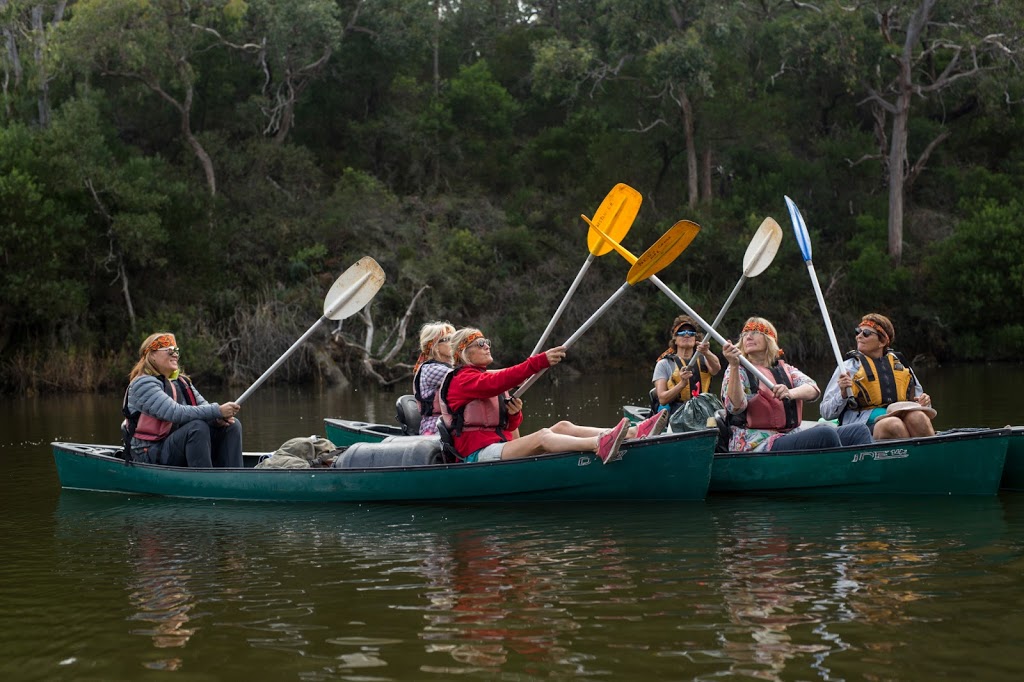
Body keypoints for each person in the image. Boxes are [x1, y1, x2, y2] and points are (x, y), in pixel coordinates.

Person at [438, 328, 669, 464]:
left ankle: (634, 432)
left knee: (564, 425)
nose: (487, 346)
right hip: (476, 455)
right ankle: (599, 445)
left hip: (499, 446)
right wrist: (540, 361)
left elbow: (509, 424)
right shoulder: (462, 379)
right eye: (480, 343)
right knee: (542, 437)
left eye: (487, 341)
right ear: (463, 353)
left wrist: (515, 414)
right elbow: (501, 380)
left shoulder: (480, 376)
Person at [720, 317, 872, 452]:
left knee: (858, 431)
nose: (749, 336)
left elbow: (813, 389)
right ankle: (841, 474)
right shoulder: (737, 369)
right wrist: (733, 365)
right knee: (825, 434)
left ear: (769, 340)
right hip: (755, 444)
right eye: (745, 333)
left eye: (756, 331)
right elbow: (735, 407)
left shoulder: (785, 369)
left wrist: (790, 393)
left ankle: (865, 474)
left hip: (789, 436)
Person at [123, 332, 243, 467]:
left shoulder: (182, 382)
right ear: (152, 355)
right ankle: (203, 482)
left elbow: (204, 407)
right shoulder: (143, 384)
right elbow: (175, 412)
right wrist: (218, 410)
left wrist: (217, 419)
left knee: (231, 425)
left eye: (176, 351)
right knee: (197, 427)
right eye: (169, 351)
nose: (175, 354)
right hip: (149, 454)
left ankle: (234, 476)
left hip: (176, 446)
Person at [820, 313, 935, 439]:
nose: (859, 336)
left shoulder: (900, 364)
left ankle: (931, 455)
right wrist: (842, 394)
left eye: (866, 333)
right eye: (858, 332)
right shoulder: (848, 368)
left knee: (918, 417)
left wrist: (925, 402)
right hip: (860, 426)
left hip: (897, 416)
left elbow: (920, 402)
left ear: (883, 341)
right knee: (893, 424)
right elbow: (826, 412)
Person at [652, 315, 722, 414]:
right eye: (682, 332)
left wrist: (706, 352)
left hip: (704, 410)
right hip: (678, 413)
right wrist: (682, 384)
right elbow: (662, 399)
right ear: (675, 339)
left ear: (695, 338)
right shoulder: (664, 364)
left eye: (691, 333)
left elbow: (716, 369)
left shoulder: (705, 358)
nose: (687, 335)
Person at [413, 320, 456, 436]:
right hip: (436, 427)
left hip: (450, 423)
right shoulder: (432, 369)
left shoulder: (451, 367)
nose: (453, 342)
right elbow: (467, 379)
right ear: (434, 346)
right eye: (447, 339)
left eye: (454, 338)